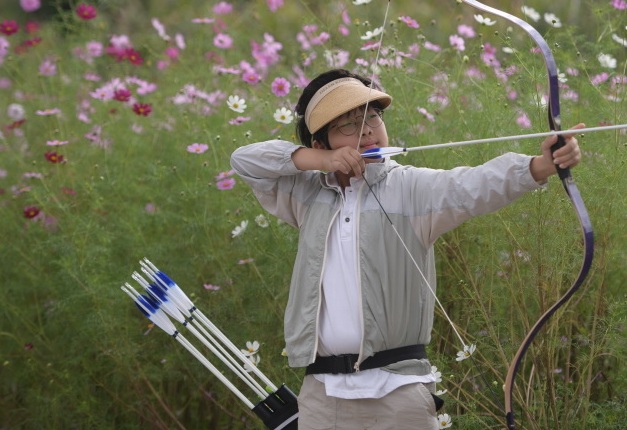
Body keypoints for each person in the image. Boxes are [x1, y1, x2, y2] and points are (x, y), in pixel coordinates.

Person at [230, 68, 583, 430]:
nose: (366, 129)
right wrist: (319, 163)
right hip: (322, 396)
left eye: (372, 117)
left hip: (398, 394)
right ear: (321, 144)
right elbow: (244, 160)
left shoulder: (410, 188)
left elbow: (473, 185)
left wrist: (542, 165)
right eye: (348, 125)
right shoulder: (307, 195)